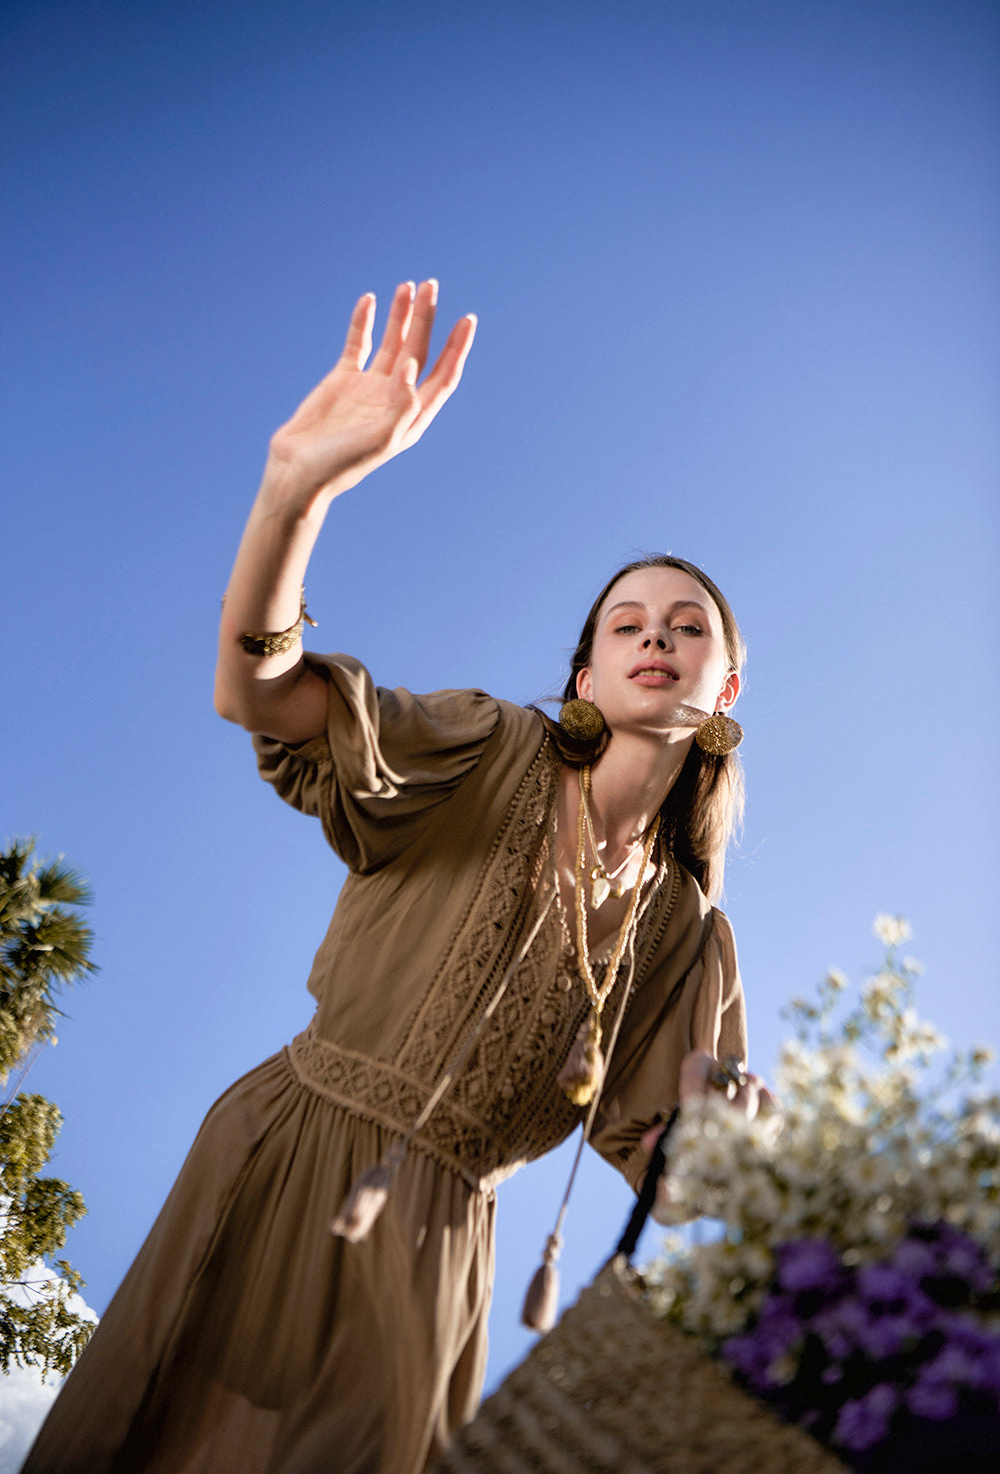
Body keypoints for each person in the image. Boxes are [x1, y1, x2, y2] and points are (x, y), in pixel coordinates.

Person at [25, 280, 770, 1474]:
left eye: (686, 626)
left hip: (443, 1249)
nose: (653, 637)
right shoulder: (487, 746)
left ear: (724, 690)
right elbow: (258, 695)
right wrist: (294, 490)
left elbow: (667, 1169)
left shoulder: (686, 928)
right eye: (625, 623)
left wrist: (731, 1142)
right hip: (287, 1151)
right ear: (583, 674)